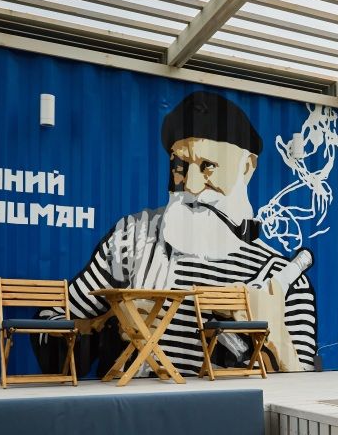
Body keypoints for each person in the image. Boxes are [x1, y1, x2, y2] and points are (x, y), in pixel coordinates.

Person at [37, 91, 318, 376]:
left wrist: (273, 334)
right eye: (180, 166)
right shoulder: (132, 240)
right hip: (135, 401)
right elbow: (53, 320)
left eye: (208, 166)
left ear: (246, 168)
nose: (191, 186)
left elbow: (301, 385)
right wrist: (111, 324)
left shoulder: (283, 279)